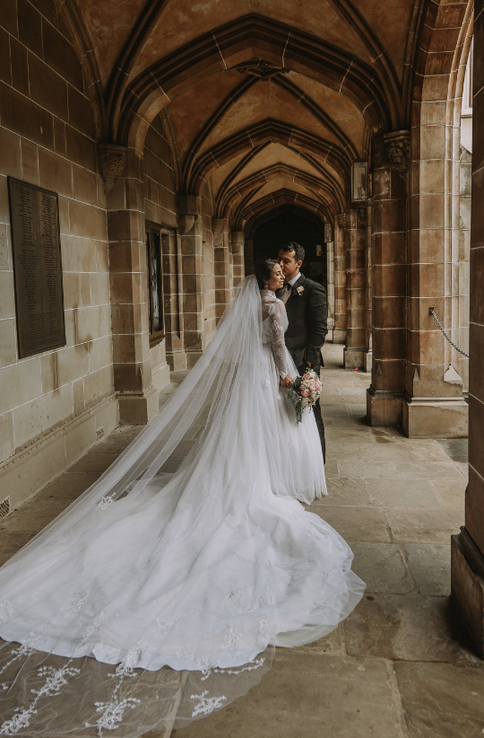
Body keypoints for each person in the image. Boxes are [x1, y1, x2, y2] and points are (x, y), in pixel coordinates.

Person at [0, 264, 364, 736]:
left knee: (241, 440)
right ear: (267, 280)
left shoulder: (253, 301)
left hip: (245, 383)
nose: (278, 274)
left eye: (280, 269)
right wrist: (290, 381)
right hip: (267, 377)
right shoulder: (272, 305)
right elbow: (277, 348)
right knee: (258, 444)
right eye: (274, 271)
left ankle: (249, 479)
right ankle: (258, 485)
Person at [277, 242, 328, 460]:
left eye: (285, 261)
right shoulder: (276, 287)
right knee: (285, 412)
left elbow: (319, 329)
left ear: (298, 263)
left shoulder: (313, 289)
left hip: (302, 361)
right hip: (280, 361)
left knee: (310, 411)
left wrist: (309, 361)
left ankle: (318, 461)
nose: (280, 264)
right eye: (279, 259)